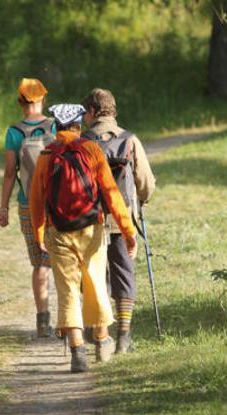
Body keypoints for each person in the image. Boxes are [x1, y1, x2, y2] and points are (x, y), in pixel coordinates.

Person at [28, 103, 137, 373]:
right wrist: (128, 232)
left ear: (56, 126)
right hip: (92, 229)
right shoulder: (91, 150)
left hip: (59, 232)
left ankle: (78, 352)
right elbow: (111, 194)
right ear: (78, 125)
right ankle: (101, 341)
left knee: (67, 291)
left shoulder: (47, 155)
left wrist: (39, 232)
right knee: (95, 283)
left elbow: (36, 199)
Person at [82, 88, 156, 354]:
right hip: (121, 218)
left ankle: (97, 329)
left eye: (85, 113)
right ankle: (124, 335)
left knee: (94, 274)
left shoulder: (82, 142)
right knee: (123, 271)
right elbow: (146, 182)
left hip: (89, 219)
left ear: (92, 111)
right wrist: (141, 203)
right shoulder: (129, 140)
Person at [0, 78, 57, 338]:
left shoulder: (14, 132)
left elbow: (10, 172)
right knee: (65, 259)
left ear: (20, 101)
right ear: (43, 98)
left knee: (40, 263)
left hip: (28, 205)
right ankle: (74, 317)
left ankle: (43, 321)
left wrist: (3, 208)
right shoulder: (56, 126)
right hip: (58, 204)